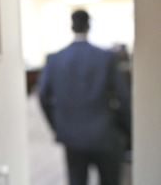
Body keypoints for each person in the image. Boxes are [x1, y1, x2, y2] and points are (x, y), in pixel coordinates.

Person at [38, 10, 131, 185]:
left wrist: (59, 126)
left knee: (77, 181)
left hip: (72, 137)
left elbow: (43, 97)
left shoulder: (54, 59)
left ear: (71, 27)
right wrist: (127, 131)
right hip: (106, 134)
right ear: (89, 26)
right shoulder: (107, 57)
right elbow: (123, 99)